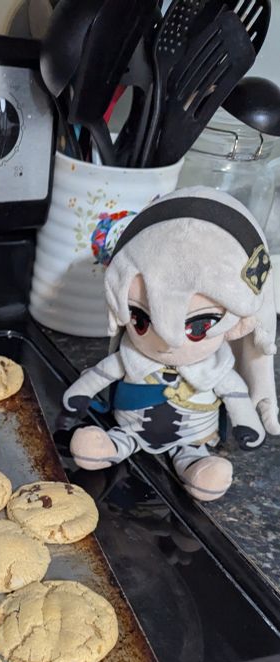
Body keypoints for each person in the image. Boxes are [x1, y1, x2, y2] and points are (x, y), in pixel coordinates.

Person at [64, 187, 279, 501]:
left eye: (198, 326)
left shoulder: (216, 369)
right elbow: (101, 374)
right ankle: (111, 446)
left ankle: (196, 466)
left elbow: (235, 394)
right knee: (112, 441)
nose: (167, 343)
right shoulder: (131, 356)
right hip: (130, 429)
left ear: (239, 324)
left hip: (193, 438)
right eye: (140, 319)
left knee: (195, 458)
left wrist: (247, 424)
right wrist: (80, 394)